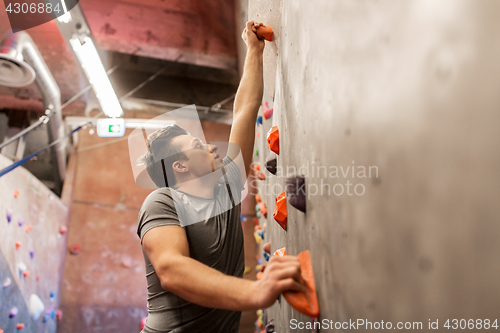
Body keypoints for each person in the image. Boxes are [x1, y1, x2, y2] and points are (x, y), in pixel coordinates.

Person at [136, 21, 303, 333]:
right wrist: (256, 291)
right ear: (180, 167)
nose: (211, 145)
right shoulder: (161, 202)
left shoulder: (226, 186)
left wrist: (254, 51)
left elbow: (243, 110)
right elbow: (171, 269)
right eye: (197, 146)